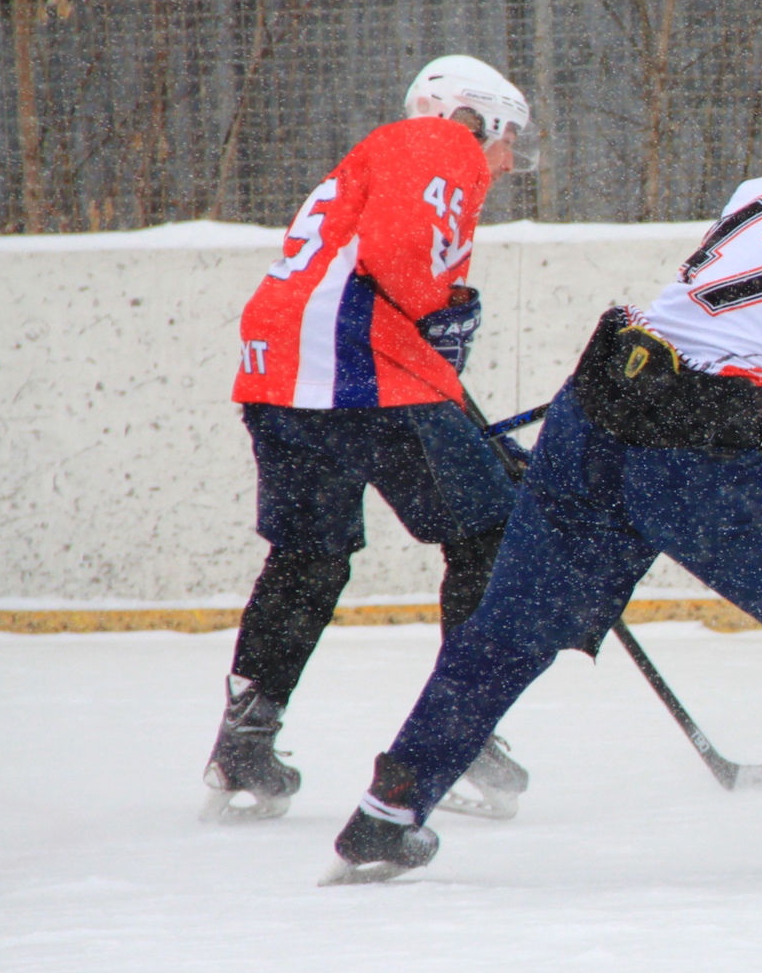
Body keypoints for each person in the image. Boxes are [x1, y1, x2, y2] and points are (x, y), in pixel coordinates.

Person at [322, 85, 762, 883]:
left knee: (509, 627)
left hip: (595, 410)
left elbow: (744, 310)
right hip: (694, 459)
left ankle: (389, 810)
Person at [205, 55, 541, 825]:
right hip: (355, 371)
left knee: (309, 557)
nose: (506, 160)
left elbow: (369, 269)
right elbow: (404, 272)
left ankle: (244, 745)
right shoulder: (439, 142)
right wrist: (443, 311)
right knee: (491, 532)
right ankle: (456, 736)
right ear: (473, 118)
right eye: (507, 138)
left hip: (279, 374)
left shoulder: (376, 156)